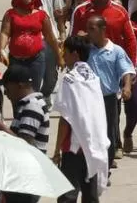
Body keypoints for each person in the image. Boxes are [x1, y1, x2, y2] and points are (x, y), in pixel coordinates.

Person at [53, 35, 109, 203]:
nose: (63, 55)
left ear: (75, 54)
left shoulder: (70, 80)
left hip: (74, 147)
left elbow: (65, 119)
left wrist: (57, 150)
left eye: (66, 52)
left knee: (68, 195)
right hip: (94, 144)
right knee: (90, 194)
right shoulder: (93, 78)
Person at [85, 14, 135, 169]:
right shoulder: (85, 49)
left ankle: (108, 158)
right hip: (89, 98)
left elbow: (126, 70)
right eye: (88, 29)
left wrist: (127, 87)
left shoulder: (115, 50)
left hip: (108, 98)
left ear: (102, 30)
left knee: (109, 130)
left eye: (92, 29)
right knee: (91, 130)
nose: (88, 32)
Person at [0, 0, 62, 94]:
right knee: (16, 91)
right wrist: (1, 49)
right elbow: (5, 33)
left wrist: (59, 56)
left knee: (33, 91)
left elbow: (50, 37)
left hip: (36, 60)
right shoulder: (10, 14)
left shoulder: (41, 15)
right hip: (15, 60)